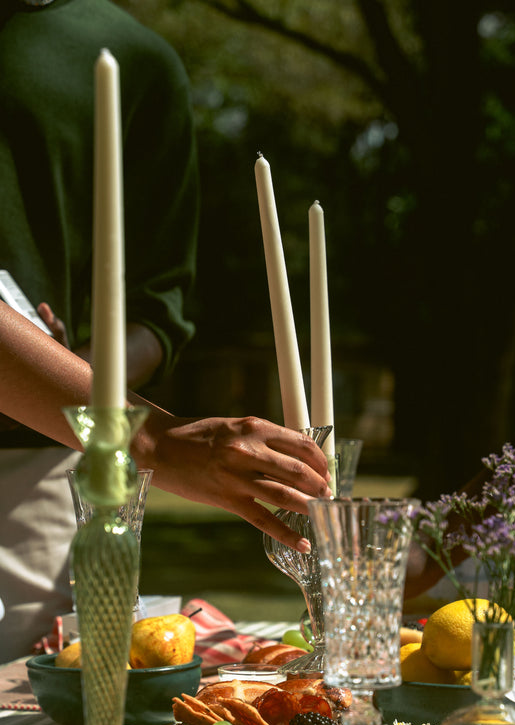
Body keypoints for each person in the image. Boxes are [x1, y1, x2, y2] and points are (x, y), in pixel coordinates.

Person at [0, 0, 330, 660]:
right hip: (94, 429)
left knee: (30, 690)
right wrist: (151, 441)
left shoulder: (130, 57)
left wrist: (66, 377)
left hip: (37, 455)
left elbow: (159, 305)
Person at [0, 302, 330, 659]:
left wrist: (57, 366)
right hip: (83, 435)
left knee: (35, 649)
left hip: (59, 441)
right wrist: (151, 441)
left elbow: (158, 313)